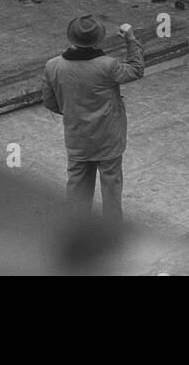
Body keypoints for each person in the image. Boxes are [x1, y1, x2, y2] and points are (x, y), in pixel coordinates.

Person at [42, 16, 144, 224]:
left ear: (72, 38)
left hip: (77, 137)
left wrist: (73, 113)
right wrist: (131, 39)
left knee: (77, 187)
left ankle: (75, 231)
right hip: (108, 138)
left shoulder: (53, 66)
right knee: (111, 188)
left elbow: (49, 102)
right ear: (98, 40)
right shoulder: (108, 66)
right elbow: (136, 69)